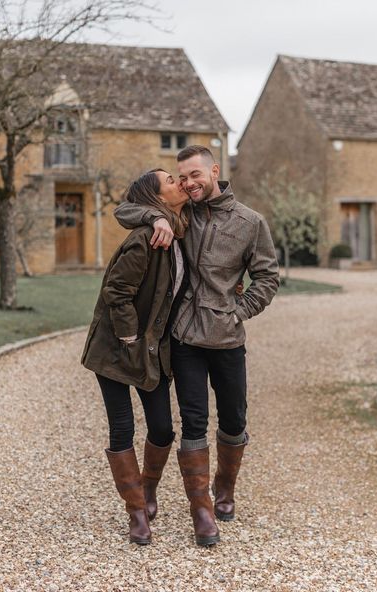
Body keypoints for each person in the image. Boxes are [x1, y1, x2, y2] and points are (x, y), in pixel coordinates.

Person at [114, 145, 279, 547]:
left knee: (235, 420)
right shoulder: (181, 214)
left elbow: (268, 277)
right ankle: (201, 510)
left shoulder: (250, 222)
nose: (187, 183)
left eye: (194, 175)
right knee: (193, 420)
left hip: (226, 338)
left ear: (214, 172)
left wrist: (238, 311)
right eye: (181, 177)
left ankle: (224, 490)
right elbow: (125, 209)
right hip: (185, 337)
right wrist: (155, 215)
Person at [81, 169, 189, 545]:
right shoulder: (146, 239)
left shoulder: (177, 232)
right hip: (115, 348)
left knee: (162, 427)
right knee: (122, 426)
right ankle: (136, 513)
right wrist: (128, 335)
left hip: (151, 349)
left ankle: (148, 490)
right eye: (172, 180)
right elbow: (117, 290)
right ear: (156, 198)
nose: (180, 182)